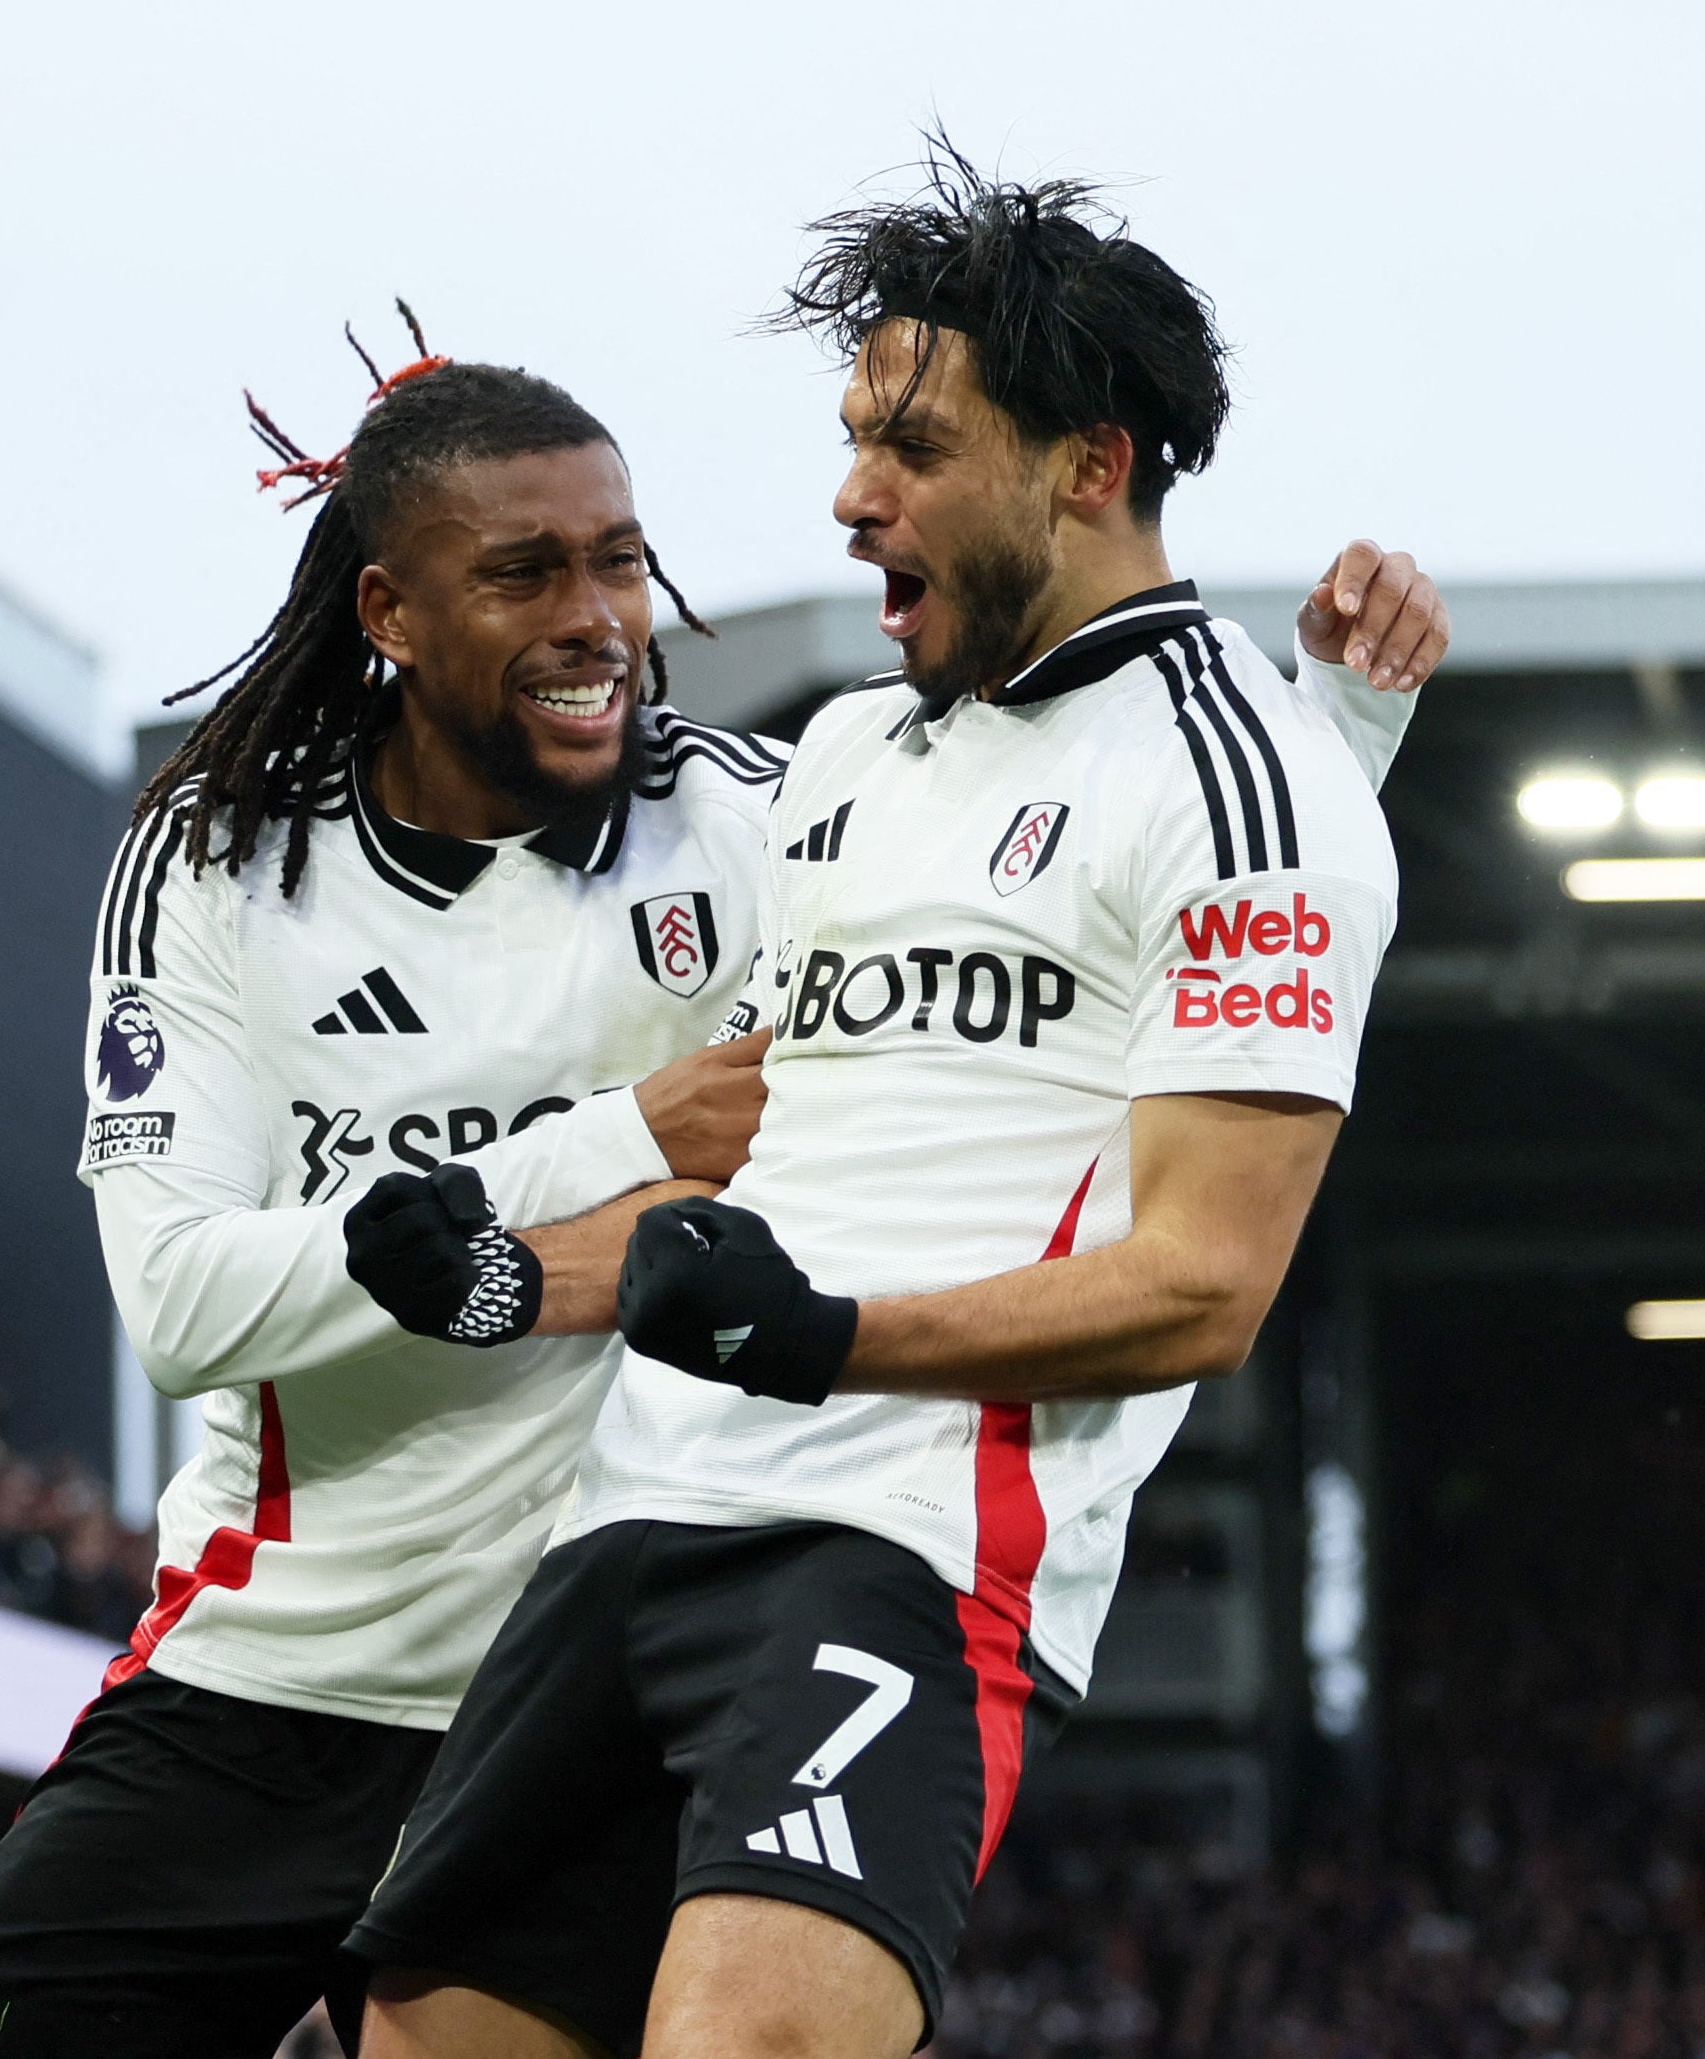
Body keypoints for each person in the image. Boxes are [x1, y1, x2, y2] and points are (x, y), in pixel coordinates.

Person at [341, 156, 1452, 2059]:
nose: (852, 496)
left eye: (912, 446)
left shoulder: (1248, 784)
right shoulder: (849, 750)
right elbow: (759, 1164)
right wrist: (513, 1270)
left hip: (902, 1545)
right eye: (856, 438)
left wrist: (827, 1340)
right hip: (628, 1523)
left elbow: (1204, 1284)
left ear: (1087, 466)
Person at [0, 339, 792, 2059]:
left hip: (592, 1696)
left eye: (618, 560)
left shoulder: (761, 829)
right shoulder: (223, 858)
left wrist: (1328, 725)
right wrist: (613, 1138)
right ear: (389, 611)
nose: (596, 617)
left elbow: (865, 1139)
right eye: (524, 572)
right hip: (273, 1676)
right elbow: (183, 1306)